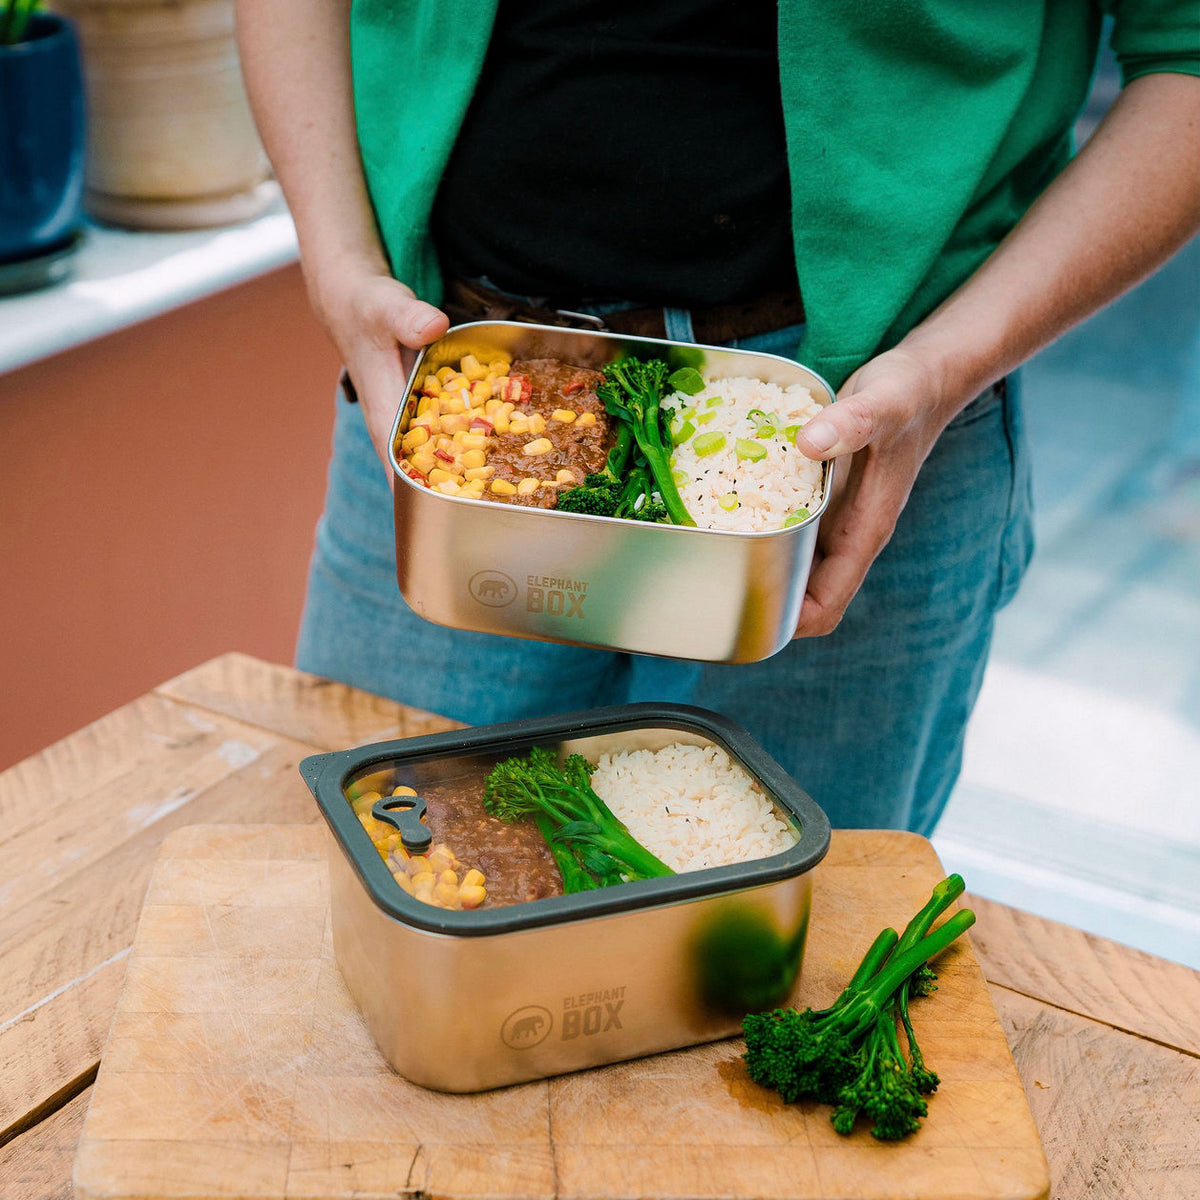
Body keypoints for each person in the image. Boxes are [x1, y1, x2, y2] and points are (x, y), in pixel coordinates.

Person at [236, 1, 1198, 834]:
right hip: (463, 405)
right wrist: (338, 262)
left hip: (859, 421)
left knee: (781, 966)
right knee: (376, 892)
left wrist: (942, 371)